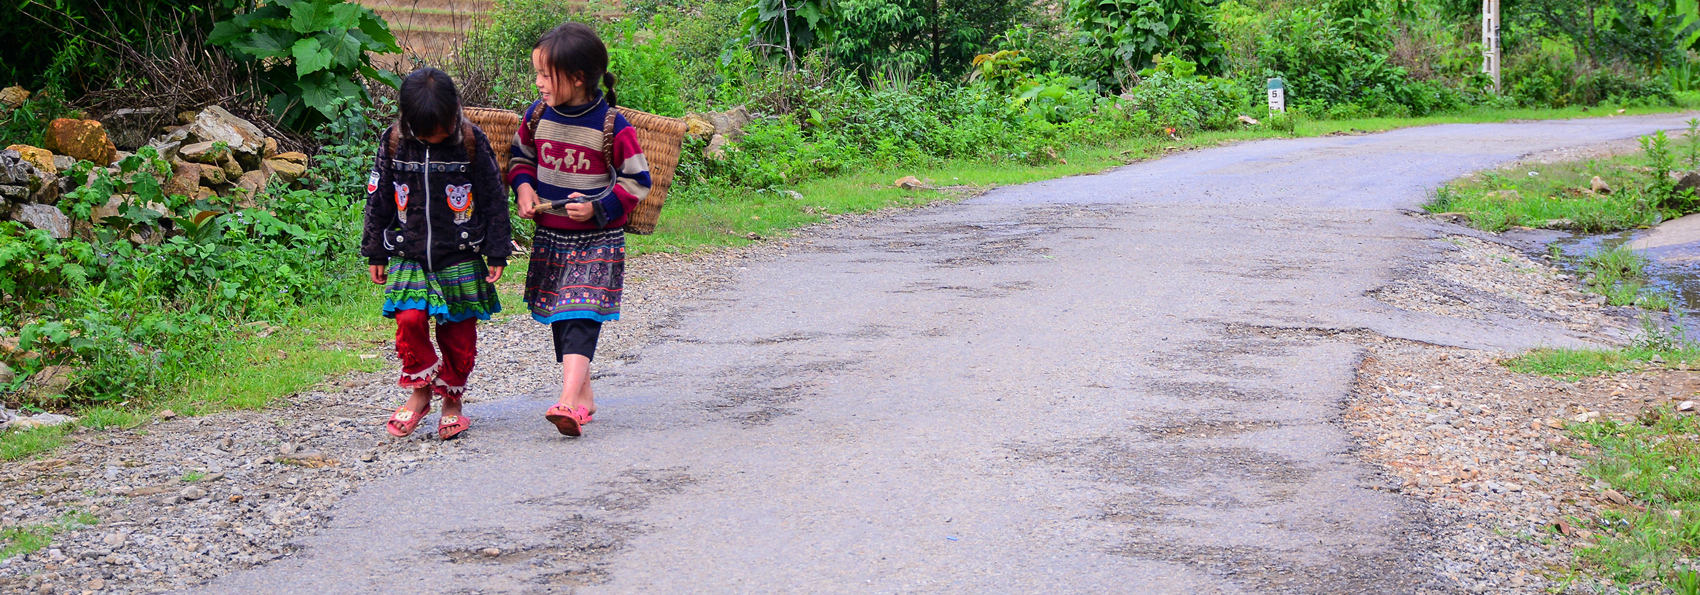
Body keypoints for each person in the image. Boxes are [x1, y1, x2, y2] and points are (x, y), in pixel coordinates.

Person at [508, 22, 652, 437]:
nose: (537, 83)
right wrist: (523, 189)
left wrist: (597, 208)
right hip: (551, 237)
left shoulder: (612, 125)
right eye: (536, 73)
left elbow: (637, 181)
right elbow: (521, 158)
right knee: (561, 312)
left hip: (598, 239)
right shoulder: (536, 118)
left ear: (576, 78)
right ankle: (584, 397)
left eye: (544, 74)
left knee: (580, 312)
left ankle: (568, 401)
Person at [361, 67, 512, 440]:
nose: (433, 137)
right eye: (424, 131)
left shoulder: (472, 141)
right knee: (410, 320)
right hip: (408, 253)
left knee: (458, 334)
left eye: (440, 129)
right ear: (407, 120)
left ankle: (452, 402)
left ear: (454, 111)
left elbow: (494, 197)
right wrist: (375, 252)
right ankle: (421, 390)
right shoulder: (394, 141)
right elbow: (378, 197)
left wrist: (497, 251)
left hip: (459, 254)